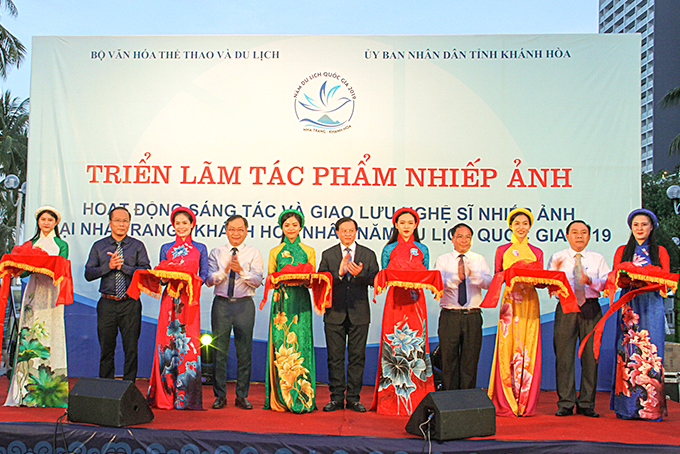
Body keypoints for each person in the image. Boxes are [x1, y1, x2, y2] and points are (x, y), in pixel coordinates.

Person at [371, 207, 434, 416]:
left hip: (416, 302)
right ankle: (391, 399)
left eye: (410, 223)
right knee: (394, 343)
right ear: (395, 225)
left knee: (416, 345)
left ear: (416, 225)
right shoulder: (389, 249)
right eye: (402, 223)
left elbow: (426, 274)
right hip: (395, 302)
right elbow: (384, 276)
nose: (406, 226)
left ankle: (417, 398)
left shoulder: (422, 248)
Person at [5, 207, 70, 407]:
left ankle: (50, 392)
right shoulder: (30, 244)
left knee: (52, 334)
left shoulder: (61, 244)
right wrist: (17, 268)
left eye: (50, 219)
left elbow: (63, 267)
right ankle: (24, 390)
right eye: (43, 219)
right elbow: (25, 272)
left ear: (56, 223)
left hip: (52, 293)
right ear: (38, 222)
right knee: (30, 335)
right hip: (34, 292)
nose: (46, 223)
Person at [611, 208, 669, 420]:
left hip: (652, 302)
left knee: (652, 351)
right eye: (636, 225)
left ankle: (652, 408)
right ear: (631, 228)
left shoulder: (660, 251)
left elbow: (666, 280)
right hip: (629, 304)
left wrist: (648, 277)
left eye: (644, 224)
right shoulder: (622, 251)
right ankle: (626, 407)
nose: (640, 228)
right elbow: (615, 277)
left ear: (651, 227)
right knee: (627, 350)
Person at [147, 207, 208, 410]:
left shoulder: (200, 248)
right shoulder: (166, 248)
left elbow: (205, 275)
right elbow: (161, 276)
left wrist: (189, 278)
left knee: (188, 344)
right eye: (177, 223)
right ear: (173, 226)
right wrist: (164, 276)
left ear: (192, 225)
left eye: (185, 223)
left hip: (189, 301)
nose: (181, 226)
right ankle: (165, 394)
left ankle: (186, 397)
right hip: (169, 300)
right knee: (166, 343)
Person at [548, 220, 610, 417]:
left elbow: (606, 283)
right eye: (575, 232)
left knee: (591, 357)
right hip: (567, 308)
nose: (579, 236)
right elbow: (550, 284)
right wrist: (553, 276)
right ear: (567, 236)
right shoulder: (557, 257)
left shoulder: (597, 258)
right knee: (564, 357)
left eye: (583, 232)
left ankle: (586, 403)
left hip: (591, 308)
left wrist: (589, 280)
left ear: (589, 236)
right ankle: (565, 402)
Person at [318, 217, 379, 413]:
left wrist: (360, 274)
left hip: (359, 313)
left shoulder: (368, 254)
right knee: (334, 358)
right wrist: (339, 273)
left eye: (351, 230)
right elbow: (321, 280)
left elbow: (376, 280)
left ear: (356, 232)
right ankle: (336, 398)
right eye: (343, 231)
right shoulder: (328, 254)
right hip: (334, 313)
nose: (347, 234)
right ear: (337, 232)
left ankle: (353, 398)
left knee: (357, 357)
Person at [488, 207, 543, 417]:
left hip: (529, 302)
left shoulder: (536, 251)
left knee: (528, 346)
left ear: (530, 226)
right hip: (510, 303)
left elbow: (540, 281)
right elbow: (498, 276)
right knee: (507, 347)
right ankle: (506, 401)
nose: (521, 227)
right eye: (517, 223)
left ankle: (526, 401)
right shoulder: (502, 250)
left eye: (525, 223)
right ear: (510, 225)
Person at [85, 206, 150, 382]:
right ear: (110, 223)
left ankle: (129, 388)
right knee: (106, 348)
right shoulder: (99, 246)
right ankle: (106, 388)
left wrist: (124, 267)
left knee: (131, 348)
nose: (121, 224)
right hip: (107, 303)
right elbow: (88, 274)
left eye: (125, 221)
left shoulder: (137, 246)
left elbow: (146, 272)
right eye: (117, 220)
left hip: (130, 303)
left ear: (129, 223)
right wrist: (109, 267)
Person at [207, 214, 263, 410]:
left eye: (240, 229)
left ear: (246, 231)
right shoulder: (216, 252)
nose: (236, 233)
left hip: (244, 305)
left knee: (244, 351)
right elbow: (208, 280)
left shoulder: (253, 253)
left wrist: (241, 271)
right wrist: (223, 272)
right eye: (232, 229)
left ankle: (242, 396)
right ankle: (220, 396)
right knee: (218, 352)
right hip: (221, 305)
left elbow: (257, 280)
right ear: (226, 230)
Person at [264, 209, 317, 413]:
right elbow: (270, 279)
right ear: (282, 228)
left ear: (300, 226)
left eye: (294, 225)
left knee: (301, 343)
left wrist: (305, 279)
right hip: (281, 303)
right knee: (281, 345)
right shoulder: (275, 252)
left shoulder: (309, 250)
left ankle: (304, 396)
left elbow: (312, 281)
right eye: (287, 226)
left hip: (301, 302)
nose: (291, 229)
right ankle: (280, 396)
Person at [434, 223, 492, 391]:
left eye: (468, 237)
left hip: (472, 315)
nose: (464, 240)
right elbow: (438, 283)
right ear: (452, 239)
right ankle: (449, 399)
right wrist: (456, 279)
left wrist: (475, 277)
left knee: (470, 360)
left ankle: (467, 400)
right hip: (450, 315)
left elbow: (489, 282)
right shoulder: (443, 260)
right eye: (460, 236)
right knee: (448, 359)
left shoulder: (478, 259)